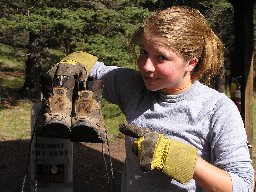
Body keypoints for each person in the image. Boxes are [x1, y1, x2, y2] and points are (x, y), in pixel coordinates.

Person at [86, 6, 253, 191]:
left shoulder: (217, 109)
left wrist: (180, 159)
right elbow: (92, 70)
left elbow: (242, 185)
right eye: (144, 52)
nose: (147, 66)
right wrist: (75, 63)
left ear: (191, 62)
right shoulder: (133, 87)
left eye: (161, 57)